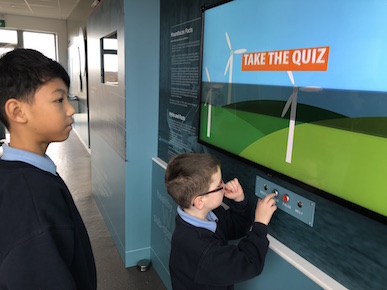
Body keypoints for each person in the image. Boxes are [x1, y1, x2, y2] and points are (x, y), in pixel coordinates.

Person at [0, 49, 97, 289]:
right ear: (17, 111)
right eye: (58, 99)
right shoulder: (32, 195)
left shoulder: (21, 176)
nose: (71, 109)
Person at [165, 152, 277, 290]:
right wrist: (260, 224)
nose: (224, 186)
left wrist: (239, 200)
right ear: (200, 201)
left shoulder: (206, 215)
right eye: (219, 186)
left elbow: (237, 227)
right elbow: (249, 263)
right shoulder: (201, 250)